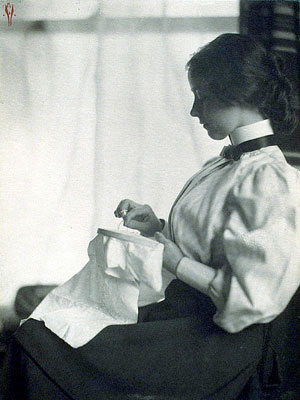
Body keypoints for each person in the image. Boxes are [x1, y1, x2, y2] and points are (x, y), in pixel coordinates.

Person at [9, 33, 300, 400]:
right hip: (180, 317)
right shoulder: (224, 166)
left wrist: (178, 264)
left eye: (202, 96)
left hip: (221, 342)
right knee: (38, 331)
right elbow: (213, 247)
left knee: (39, 348)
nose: (194, 111)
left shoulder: (270, 181)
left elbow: (253, 298)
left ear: (236, 94)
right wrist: (157, 228)